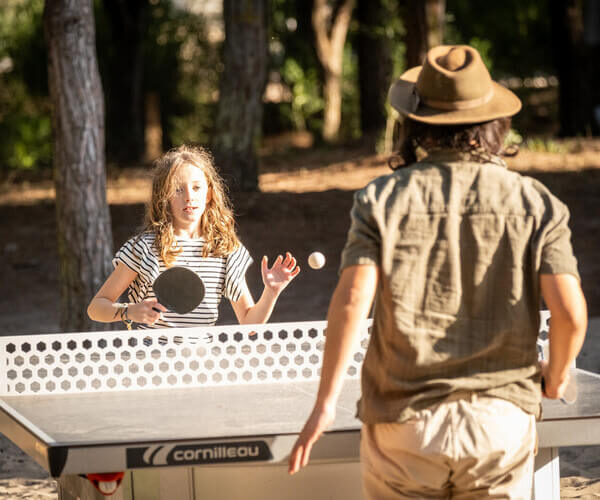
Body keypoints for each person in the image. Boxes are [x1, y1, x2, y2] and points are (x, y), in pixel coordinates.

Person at [288, 45, 587, 498]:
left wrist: (325, 405)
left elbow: (352, 301)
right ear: (494, 122)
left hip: (404, 425)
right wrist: (558, 374)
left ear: (416, 124)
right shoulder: (535, 202)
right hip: (499, 425)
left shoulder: (381, 199)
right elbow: (569, 314)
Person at [88, 144, 300, 330]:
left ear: (208, 194)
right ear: (164, 197)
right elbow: (96, 308)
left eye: (197, 188)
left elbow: (249, 324)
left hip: (199, 364)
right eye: (178, 190)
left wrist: (271, 292)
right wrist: (130, 311)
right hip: (149, 362)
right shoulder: (143, 248)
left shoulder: (226, 249)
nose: (189, 196)